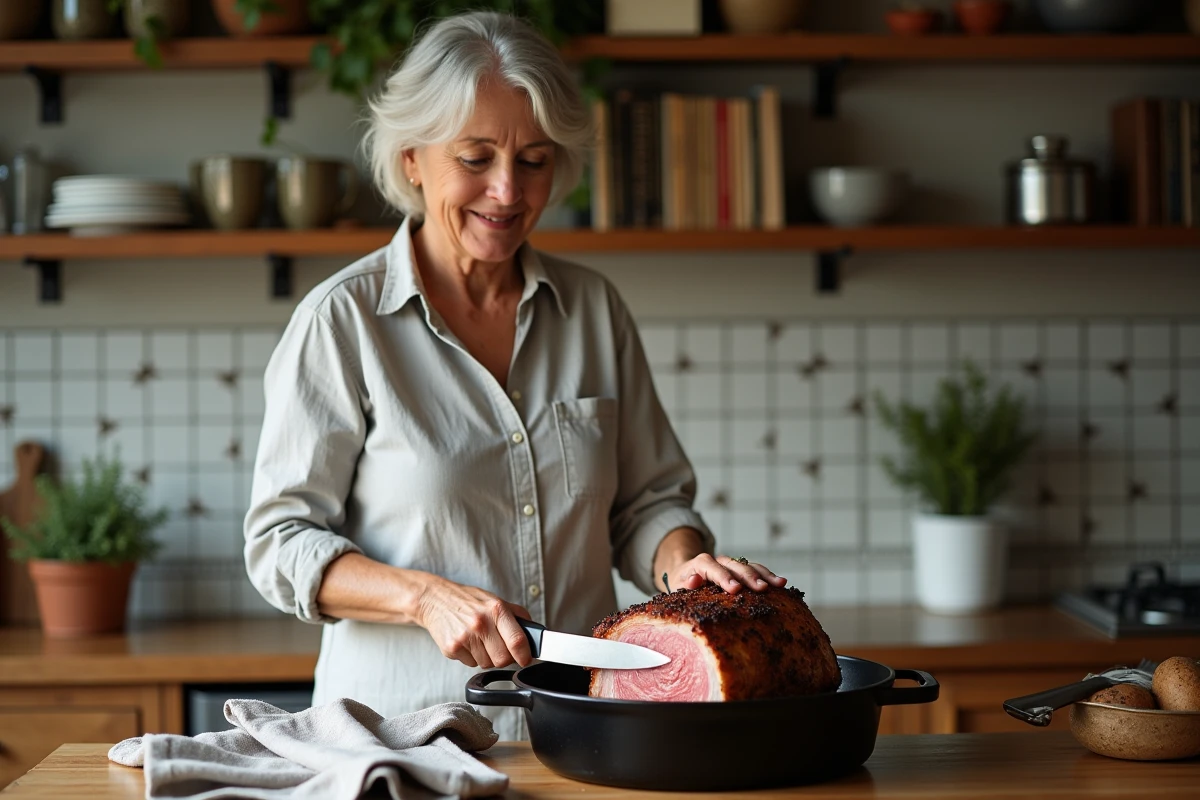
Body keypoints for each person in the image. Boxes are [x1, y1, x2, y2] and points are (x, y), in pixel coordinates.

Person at [243, 10, 786, 739]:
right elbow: (280, 540)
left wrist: (682, 565)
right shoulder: (343, 322)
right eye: (475, 158)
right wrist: (423, 598)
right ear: (412, 158)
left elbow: (645, 504)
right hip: (401, 742)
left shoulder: (593, 308)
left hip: (587, 733)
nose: (508, 191)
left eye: (533, 160)